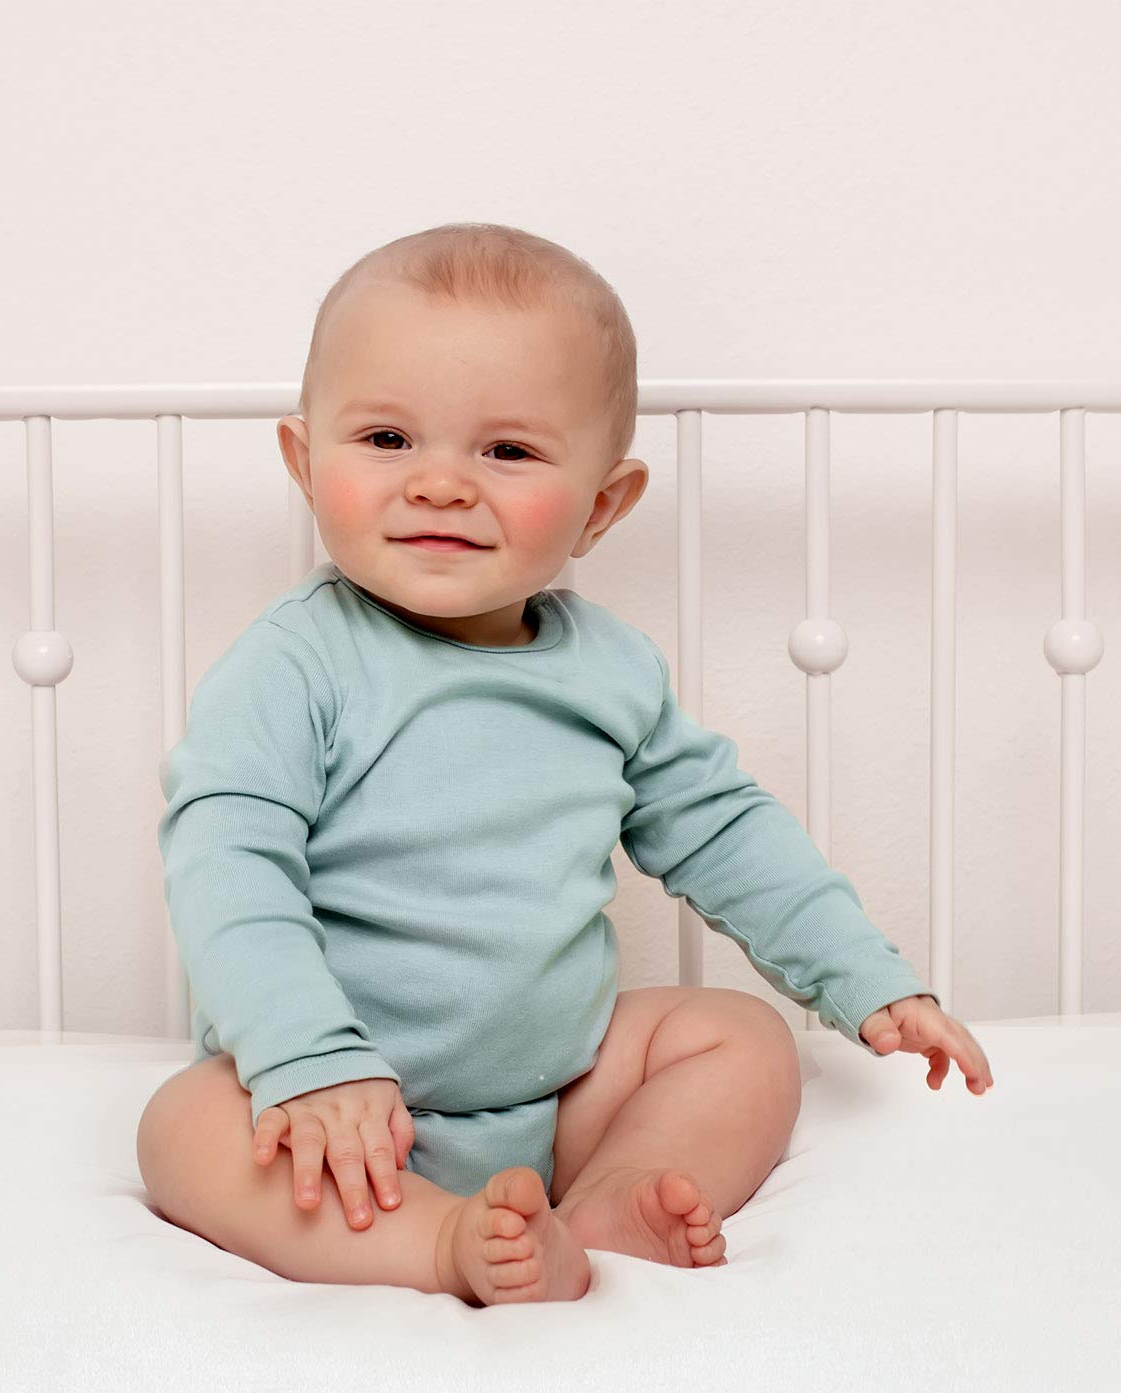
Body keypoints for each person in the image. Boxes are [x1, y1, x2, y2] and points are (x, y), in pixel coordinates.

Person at [136, 222, 994, 1307]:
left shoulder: (610, 671)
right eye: (388, 438)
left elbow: (724, 831)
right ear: (306, 464)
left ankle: (614, 1194)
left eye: (506, 451)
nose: (440, 484)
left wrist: (865, 975)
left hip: (557, 1091)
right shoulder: (295, 664)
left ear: (601, 505)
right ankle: (439, 1240)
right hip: (336, 1116)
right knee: (183, 1127)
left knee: (738, 1037)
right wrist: (307, 1059)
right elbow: (228, 866)